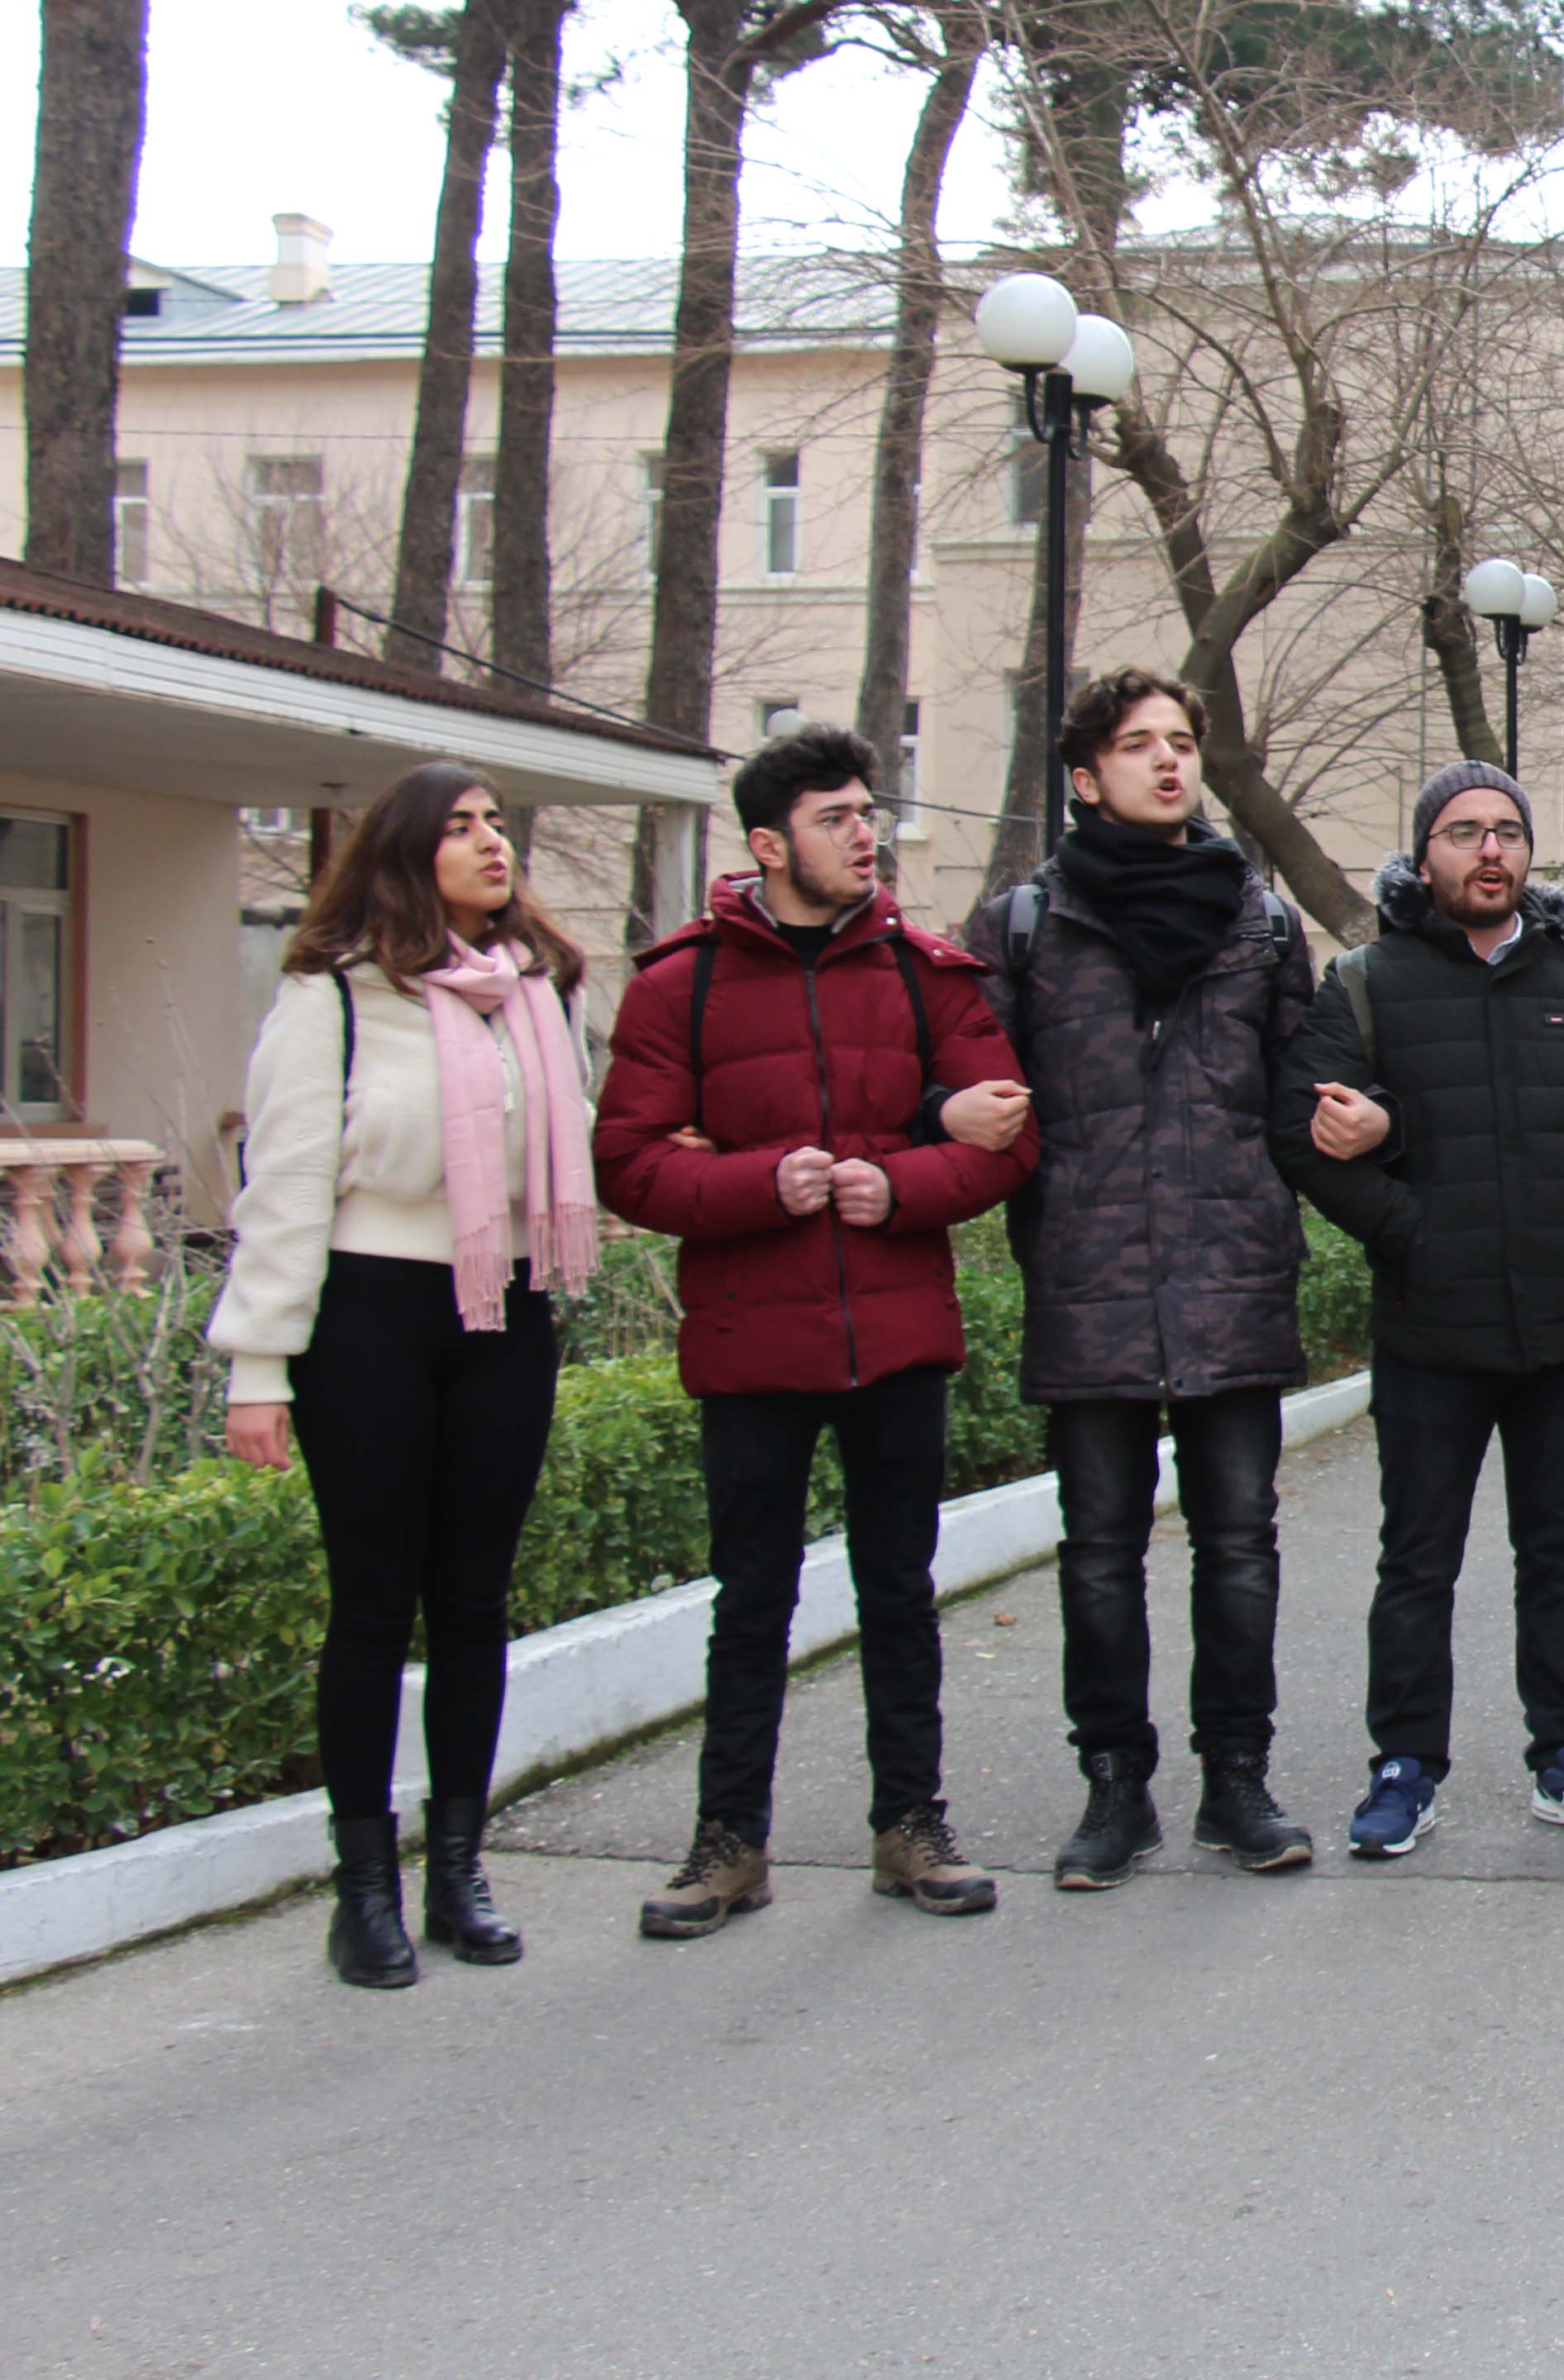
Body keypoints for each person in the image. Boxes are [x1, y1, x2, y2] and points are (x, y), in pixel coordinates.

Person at [598, 724, 1039, 1936]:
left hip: (896, 1337)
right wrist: (756, 1186)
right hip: (752, 1346)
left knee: (900, 1592)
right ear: (766, 843)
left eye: (867, 814)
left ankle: (913, 1829)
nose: (865, 835)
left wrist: (898, 1186)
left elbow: (1010, 1139)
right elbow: (625, 1165)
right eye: (837, 818)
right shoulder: (676, 985)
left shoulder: (923, 975)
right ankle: (728, 1844)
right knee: (752, 1602)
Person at [208, 765, 604, 1987]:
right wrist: (259, 1369)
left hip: (509, 1312)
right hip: (370, 1316)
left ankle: (457, 1872)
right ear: (403, 854)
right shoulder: (333, 999)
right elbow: (280, 1187)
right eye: (462, 828)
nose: (493, 844)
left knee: (476, 1601)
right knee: (376, 1607)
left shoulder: (534, 997)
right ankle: (364, 1887)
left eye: (498, 825)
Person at [956, 668, 1322, 1887]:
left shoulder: (1261, 922)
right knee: (1099, 1553)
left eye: (1181, 743)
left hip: (1231, 1274)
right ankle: (1116, 1789)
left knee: (1239, 1547)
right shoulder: (1024, 926)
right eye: (1135, 745)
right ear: (1083, 776)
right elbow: (963, 1091)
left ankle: (1237, 1783)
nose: (1167, 763)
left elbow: (1300, 1095)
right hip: (1091, 1278)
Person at [1272, 759, 1564, 1851]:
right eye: (1463, 832)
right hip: (1430, 1330)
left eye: (1505, 831)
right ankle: (1404, 1765)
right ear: (1426, 854)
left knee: (1561, 1551)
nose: (1489, 850)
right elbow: (1307, 1137)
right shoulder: (1365, 981)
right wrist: (1409, 1230)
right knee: (1418, 1558)